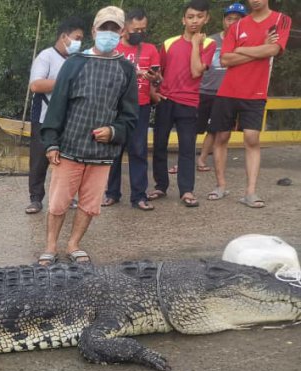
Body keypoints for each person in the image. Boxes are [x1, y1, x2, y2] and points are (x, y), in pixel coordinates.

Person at [38, 6, 138, 266]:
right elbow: (58, 105)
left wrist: (114, 131)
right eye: (103, 28)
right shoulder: (75, 63)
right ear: (94, 31)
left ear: (122, 32)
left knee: (90, 204)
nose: (108, 33)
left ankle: (74, 244)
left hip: (102, 154)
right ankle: (50, 245)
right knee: (58, 202)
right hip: (69, 147)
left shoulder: (126, 69)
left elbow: (129, 115)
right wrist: (51, 142)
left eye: (113, 29)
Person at [207, 0, 291, 208]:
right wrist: (259, 47)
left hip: (256, 90)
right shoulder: (237, 26)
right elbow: (225, 59)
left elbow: (273, 50)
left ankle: (250, 192)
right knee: (221, 136)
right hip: (227, 90)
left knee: (251, 138)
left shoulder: (281, 20)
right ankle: (221, 185)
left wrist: (244, 50)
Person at [148, 0, 215, 208]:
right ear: (183, 19)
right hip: (166, 100)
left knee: (187, 148)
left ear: (207, 18)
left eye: (199, 16)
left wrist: (195, 44)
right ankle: (161, 186)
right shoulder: (169, 43)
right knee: (159, 145)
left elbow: (196, 71)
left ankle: (186, 190)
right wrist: (155, 91)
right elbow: (160, 73)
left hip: (189, 102)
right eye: (190, 17)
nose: (195, 21)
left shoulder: (209, 44)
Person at [101, 8, 161, 211]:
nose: (140, 33)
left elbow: (158, 79)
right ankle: (111, 193)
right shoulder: (112, 47)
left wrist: (154, 79)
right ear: (125, 27)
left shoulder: (151, 50)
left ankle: (139, 196)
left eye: (143, 29)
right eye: (136, 29)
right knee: (114, 150)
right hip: (114, 107)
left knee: (138, 150)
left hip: (140, 106)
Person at [25, 17, 85, 214]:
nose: (79, 43)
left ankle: (66, 198)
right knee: (39, 159)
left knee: (67, 160)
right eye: (77, 38)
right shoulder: (46, 57)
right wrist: (63, 83)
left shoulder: (76, 60)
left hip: (69, 119)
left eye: (81, 39)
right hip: (44, 117)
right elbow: (36, 85)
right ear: (63, 36)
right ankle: (35, 199)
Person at [196, 3, 247, 172]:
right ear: (223, 20)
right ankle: (184, 161)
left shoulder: (246, 44)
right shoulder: (210, 40)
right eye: (229, 18)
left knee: (215, 129)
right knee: (193, 128)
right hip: (203, 90)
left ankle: (202, 160)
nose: (232, 22)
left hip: (226, 93)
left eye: (237, 19)